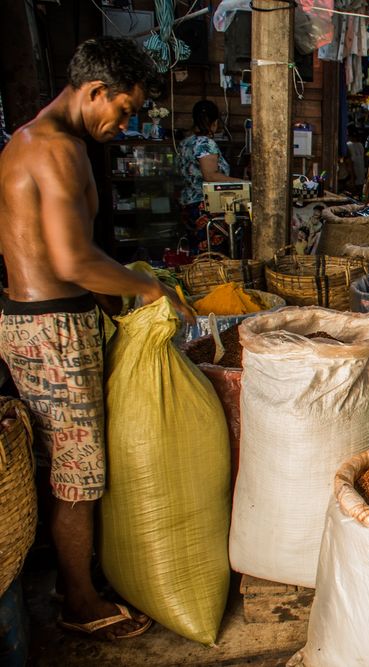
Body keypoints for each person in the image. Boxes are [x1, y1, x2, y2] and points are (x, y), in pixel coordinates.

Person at [0, 37, 190, 641]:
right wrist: (147, 289)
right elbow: (72, 259)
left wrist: (122, 288)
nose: (124, 123)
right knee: (78, 475)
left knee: (61, 465)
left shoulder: (28, 139)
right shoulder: (59, 150)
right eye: (124, 109)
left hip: (33, 320)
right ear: (94, 92)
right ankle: (77, 601)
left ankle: (75, 578)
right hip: (53, 327)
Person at [178, 100, 243, 253]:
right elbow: (210, 175)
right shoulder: (206, 143)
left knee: (197, 253)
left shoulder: (186, 143)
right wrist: (242, 183)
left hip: (188, 204)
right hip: (205, 207)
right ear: (214, 122)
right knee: (213, 254)